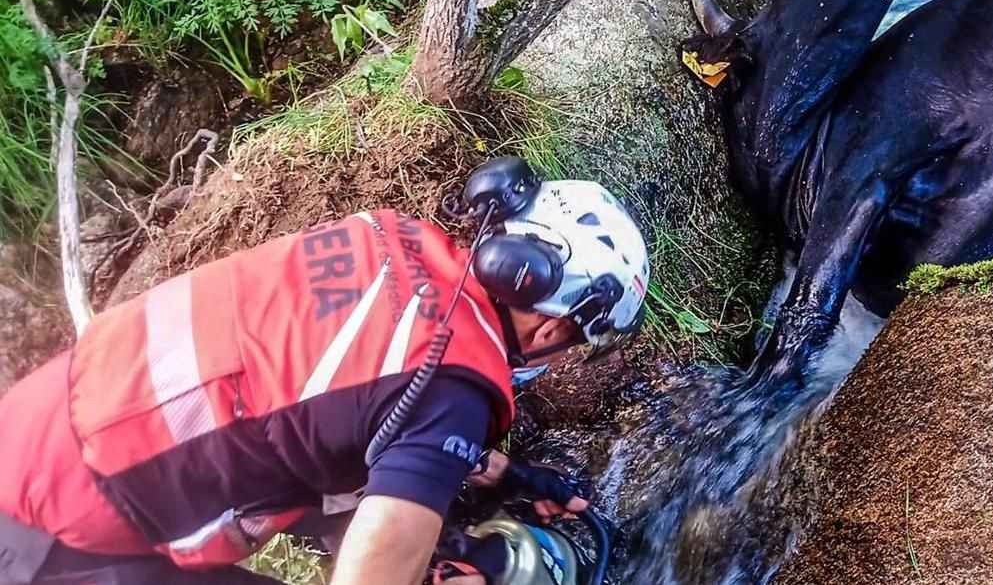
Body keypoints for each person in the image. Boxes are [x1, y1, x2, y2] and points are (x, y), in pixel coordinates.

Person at [0, 157, 649, 585]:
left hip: (32, 431)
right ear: (557, 325)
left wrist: (506, 475)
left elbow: (332, 407)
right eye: (573, 343)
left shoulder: (385, 236)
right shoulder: (454, 387)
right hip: (59, 541)